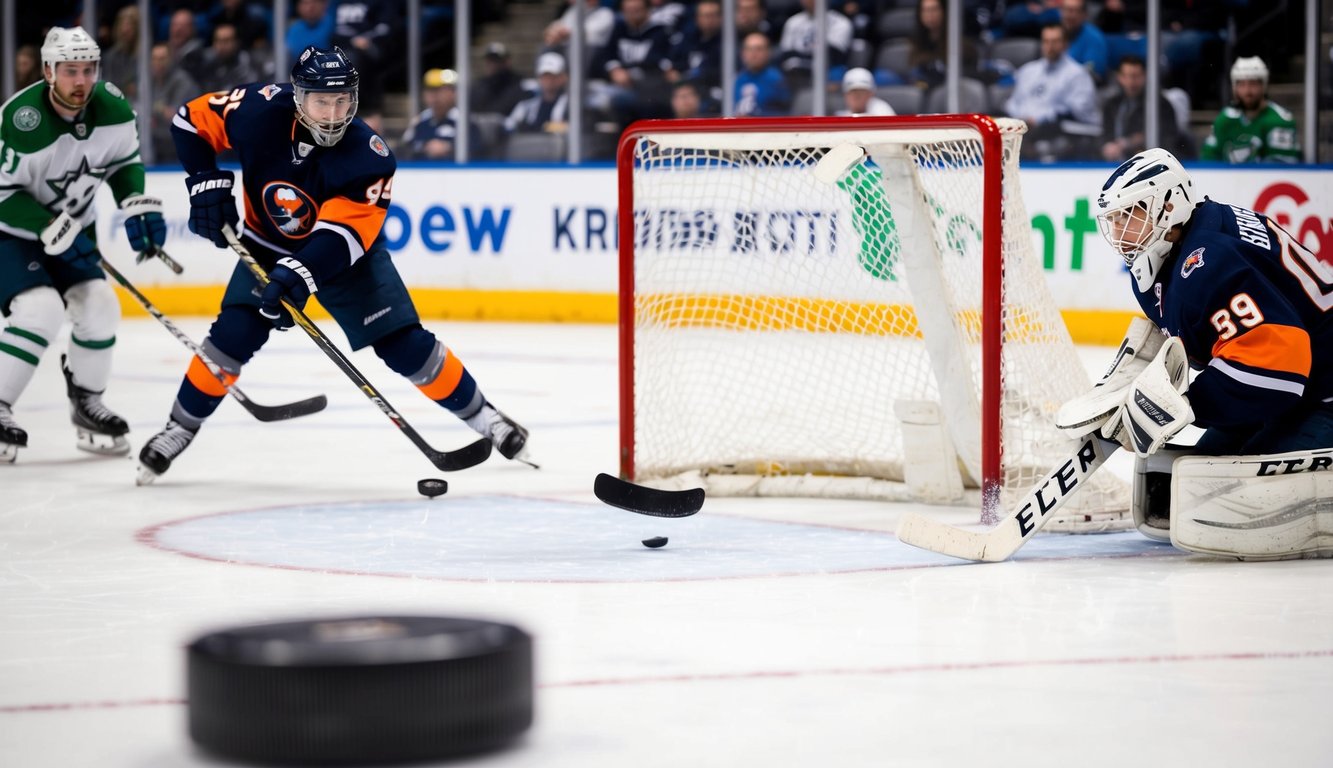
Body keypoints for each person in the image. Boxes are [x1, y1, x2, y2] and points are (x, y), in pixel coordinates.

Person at [139, 46, 529, 481]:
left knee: (405, 345)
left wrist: (298, 274)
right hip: (267, 243)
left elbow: (340, 238)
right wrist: (203, 181)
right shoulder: (258, 110)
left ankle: (485, 418)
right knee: (233, 334)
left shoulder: (369, 155)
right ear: (298, 96)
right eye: (322, 101)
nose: (332, 112)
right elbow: (189, 121)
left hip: (345, 259)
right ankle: (178, 428)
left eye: (343, 100)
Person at [1092, 148, 1332, 458]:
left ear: (1169, 206)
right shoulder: (1180, 247)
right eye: (1113, 218)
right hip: (1295, 387)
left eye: (1129, 214)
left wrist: (1185, 406)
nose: (1118, 231)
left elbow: (1280, 364)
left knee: (1226, 494)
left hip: (1320, 393)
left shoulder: (1210, 261)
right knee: (1184, 476)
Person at [0, 27, 166, 462]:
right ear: (47, 71)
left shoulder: (111, 108)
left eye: (88, 70)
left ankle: (87, 404)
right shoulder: (22, 120)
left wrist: (136, 204)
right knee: (41, 310)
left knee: (100, 306)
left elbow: (125, 162)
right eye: (70, 71)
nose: (81, 81)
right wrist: (44, 223)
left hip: (72, 229)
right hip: (11, 233)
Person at [1004, 22, 1100, 160]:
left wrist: (1040, 120)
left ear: (1065, 44)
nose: (1050, 46)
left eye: (1055, 42)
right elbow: (1014, 103)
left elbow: (1077, 111)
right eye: (1046, 41)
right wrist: (1021, 119)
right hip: (1023, 130)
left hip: (1057, 133)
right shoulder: (1028, 71)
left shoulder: (1078, 74)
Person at [1200, 57, 1300, 164]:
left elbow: (1283, 170)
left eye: (1253, 84)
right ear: (1234, 88)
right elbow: (1208, 160)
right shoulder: (1225, 119)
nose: (1247, 91)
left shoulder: (1280, 120)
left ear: (1263, 86)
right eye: (1242, 84)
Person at [1099, 55, 1189, 162]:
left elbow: (1167, 137)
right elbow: (1104, 135)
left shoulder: (1159, 104)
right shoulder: (1112, 105)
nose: (1131, 81)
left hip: (1153, 164)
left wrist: (1132, 143)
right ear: (1119, 77)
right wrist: (1107, 147)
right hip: (1116, 165)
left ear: (1144, 76)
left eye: (1136, 76)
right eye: (1127, 76)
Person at [401, 68, 481, 161]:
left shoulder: (465, 122)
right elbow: (405, 149)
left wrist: (449, 148)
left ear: (453, 93)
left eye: (439, 90)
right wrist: (424, 147)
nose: (434, 96)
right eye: (430, 90)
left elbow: (478, 150)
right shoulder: (420, 122)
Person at [505, 52, 571, 134]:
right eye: (544, 76)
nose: (548, 80)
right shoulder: (526, 107)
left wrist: (549, 127)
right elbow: (509, 125)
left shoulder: (571, 105)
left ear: (563, 78)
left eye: (553, 76)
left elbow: (577, 127)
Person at [734, 32, 790, 117]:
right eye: (749, 49)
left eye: (758, 49)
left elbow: (783, 113)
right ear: (743, 54)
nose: (753, 54)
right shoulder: (738, 79)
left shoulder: (776, 80)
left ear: (768, 52)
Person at [469, 43, 527, 117]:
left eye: (495, 60)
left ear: (507, 62)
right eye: (489, 60)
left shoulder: (517, 84)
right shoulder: (480, 86)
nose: (491, 64)